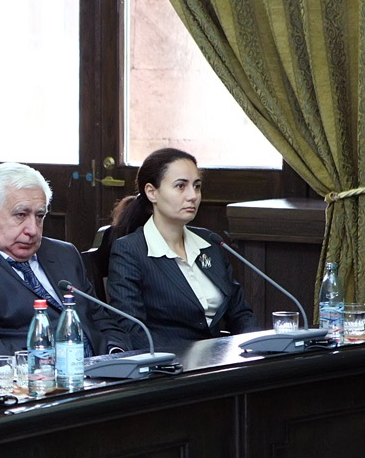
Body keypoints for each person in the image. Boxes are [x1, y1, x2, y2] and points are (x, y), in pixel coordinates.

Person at [0, 162, 131, 373]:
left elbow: (101, 320)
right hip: (35, 383)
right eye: (21, 215)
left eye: (39, 216)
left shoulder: (64, 254)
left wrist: (115, 355)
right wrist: (63, 363)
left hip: (102, 375)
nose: (33, 230)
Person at [107, 148, 259, 348]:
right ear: (152, 192)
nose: (193, 196)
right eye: (180, 186)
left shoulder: (209, 242)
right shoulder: (130, 251)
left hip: (222, 358)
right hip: (169, 362)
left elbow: (241, 314)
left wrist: (254, 349)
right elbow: (132, 329)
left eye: (197, 186)